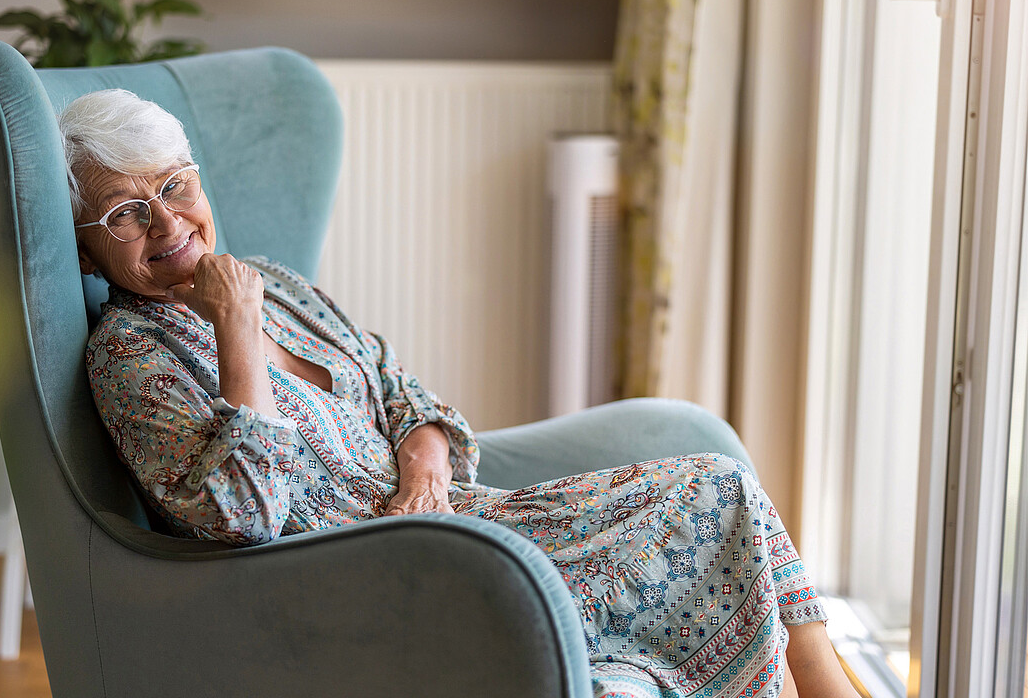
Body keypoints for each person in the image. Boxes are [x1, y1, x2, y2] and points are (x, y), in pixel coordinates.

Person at [63, 88, 857, 698]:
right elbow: (244, 519)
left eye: (174, 185)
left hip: (458, 520)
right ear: (91, 256)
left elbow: (402, 387)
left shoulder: (272, 281)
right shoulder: (130, 356)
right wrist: (236, 330)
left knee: (718, 488)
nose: (167, 221)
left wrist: (425, 467)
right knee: (702, 510)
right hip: (377, 579)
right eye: (126, 213)